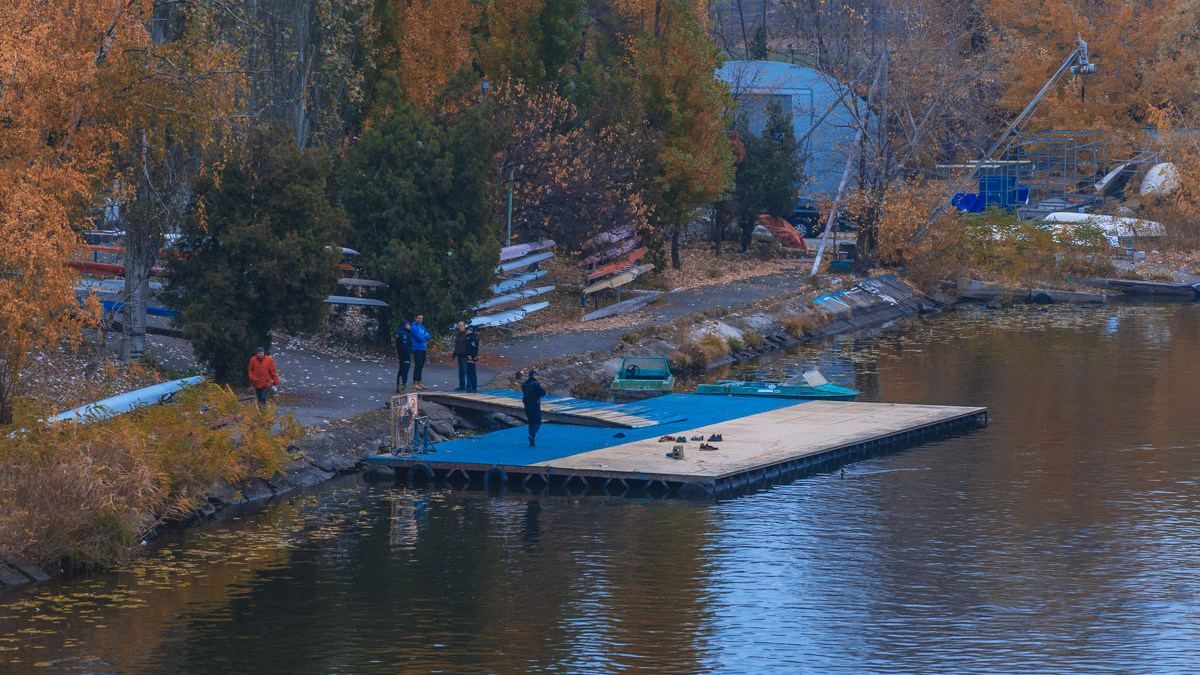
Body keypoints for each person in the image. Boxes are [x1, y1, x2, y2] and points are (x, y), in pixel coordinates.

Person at [521, 368, 546, 447]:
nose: (537, 376)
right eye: (536, 375)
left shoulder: (524, 384)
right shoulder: (535, 383)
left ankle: (532, 438)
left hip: (526, 405)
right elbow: (542, 393)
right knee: (537, 422)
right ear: (533, 375)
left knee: (531, 422)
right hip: (534, 405)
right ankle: (532, 435)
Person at [410, 314, 431, 390]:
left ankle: (419, 381)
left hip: (423, 348)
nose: (420, 320)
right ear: (415, 318)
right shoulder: (414, 327)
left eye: (421, 318)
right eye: (419, 318)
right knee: (417, 365)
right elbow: (419, 338)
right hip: (417, 348)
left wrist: (425, 337)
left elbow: (429, 336)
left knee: (421, 366)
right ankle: (415, 382)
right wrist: (425, 337)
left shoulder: (422, 327)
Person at [394, 321, 413, 392]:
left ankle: (400, 386)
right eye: (407, 325)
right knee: (404, 370)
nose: (409, 326)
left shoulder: (406, 333)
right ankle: (402, 386)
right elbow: (403, 346)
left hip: (403, 354)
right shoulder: (403, 334)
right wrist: (408, 353)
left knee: (402, 369)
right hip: (405, 355)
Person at [452, 321, 469, 392]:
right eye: (459, 326)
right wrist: (454, 354)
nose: (460, 327)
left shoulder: (467, 334)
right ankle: (462, 386)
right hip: (459, 355)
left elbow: (469, 346)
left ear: (464, 326)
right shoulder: (458, 334)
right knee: (461, 372)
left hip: (465, 356)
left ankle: (468, 387)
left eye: (461, 326)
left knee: (466, 371)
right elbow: (457, 345)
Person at [464, 325, 480, 392]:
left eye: (467, 330)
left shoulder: (472, 338)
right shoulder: (468, 337)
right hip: (468, 357)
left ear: (471, 330)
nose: (466, 331)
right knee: (469, 372)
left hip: (471, 358)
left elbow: (474, 348)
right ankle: (469, 386)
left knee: (471, 372)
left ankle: (473, 387)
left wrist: (472, 356)